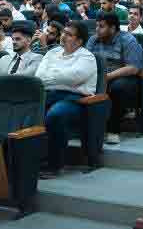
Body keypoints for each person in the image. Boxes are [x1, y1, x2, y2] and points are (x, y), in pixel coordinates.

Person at [38, 22, 98, 178]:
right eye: (63, 32)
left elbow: (73, 78)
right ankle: (29, 159)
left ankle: (54, 165)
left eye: (69, 34)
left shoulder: (87, 57)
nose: (63, 36)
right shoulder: (52, 53)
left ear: (79, 41)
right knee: (26, 109)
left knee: (55, 115)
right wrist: (60, 76)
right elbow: (39, 76)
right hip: (49, 94)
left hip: (76, 100)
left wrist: (52, 75)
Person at [87, 13, 142, 145]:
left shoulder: (128, 40)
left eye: (101, 26)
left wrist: (107, 77)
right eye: (96, 26)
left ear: (112, 28)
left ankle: (113, 130)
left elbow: (133, 68)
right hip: (98, 75)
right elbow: (85, 59)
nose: (97, 29)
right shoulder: (94, 40)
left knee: (118, 88)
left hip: (123, 77)